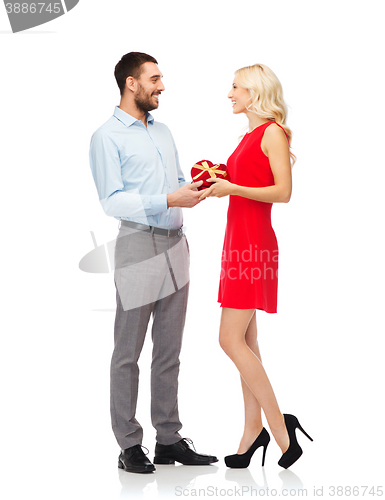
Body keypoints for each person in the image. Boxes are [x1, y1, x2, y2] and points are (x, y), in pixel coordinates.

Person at [89, 52, 218, 473]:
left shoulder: (162, 132)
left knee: (169, 349)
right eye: (155, 78)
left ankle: (168, 439)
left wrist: (198, 187)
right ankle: (129, 445)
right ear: (131, 83)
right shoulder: (106, 136)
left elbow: (178, 180)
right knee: (128, 351)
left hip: (176, 243)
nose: (162, 86)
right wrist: (167, 198)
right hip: (138, 244)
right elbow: (112, 200)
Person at [199, 64, 313, 469]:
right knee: (246, 342)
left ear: (254, 92)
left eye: (235, 87)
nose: (229, 94)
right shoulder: (248, 135)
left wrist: (232, 187)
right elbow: (245, 184)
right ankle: (251, 431)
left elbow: (283, 192)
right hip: (237, 243)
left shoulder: (272, 133)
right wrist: (217, 180)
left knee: (229, 340)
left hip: (253, 245)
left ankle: (281, 428)